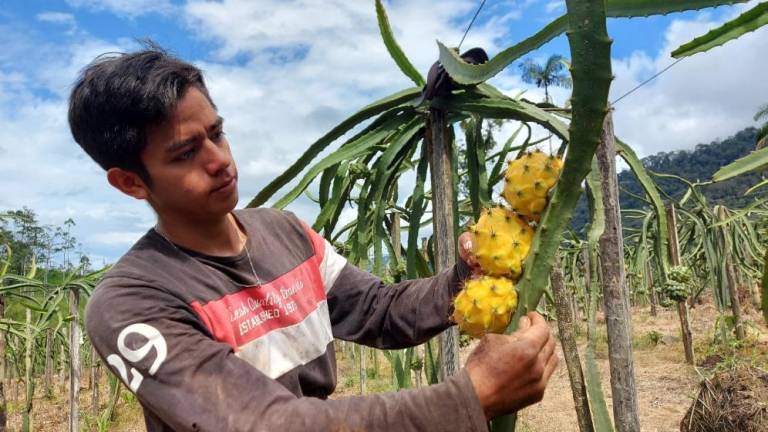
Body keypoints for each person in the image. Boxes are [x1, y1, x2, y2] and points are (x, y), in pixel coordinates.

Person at [70, 44, 558, 432]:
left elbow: (379, 312)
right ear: (130, 182)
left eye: (217, 134)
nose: (219, 160)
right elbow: (267, 424)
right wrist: (472, 397)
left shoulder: (284, 232)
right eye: (185, 154)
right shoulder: (132, 304)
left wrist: (464, 278)